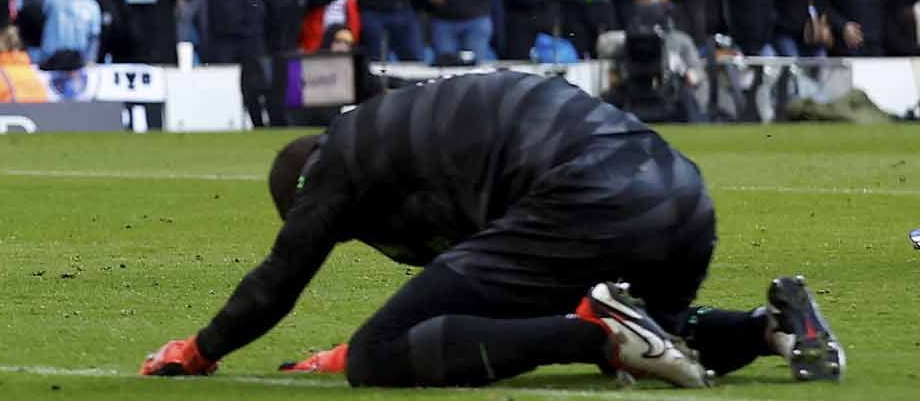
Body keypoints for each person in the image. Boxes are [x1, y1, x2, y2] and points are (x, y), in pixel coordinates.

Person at [140, 71, 845, 389]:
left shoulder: (332, 161)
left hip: (586, 197)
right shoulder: (407, 127)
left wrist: (201, 350)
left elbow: (279, 279)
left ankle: (602, 332)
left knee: (377, 359)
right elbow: (486, 298)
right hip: (682, 195)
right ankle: (773, 329)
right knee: (658, 334)